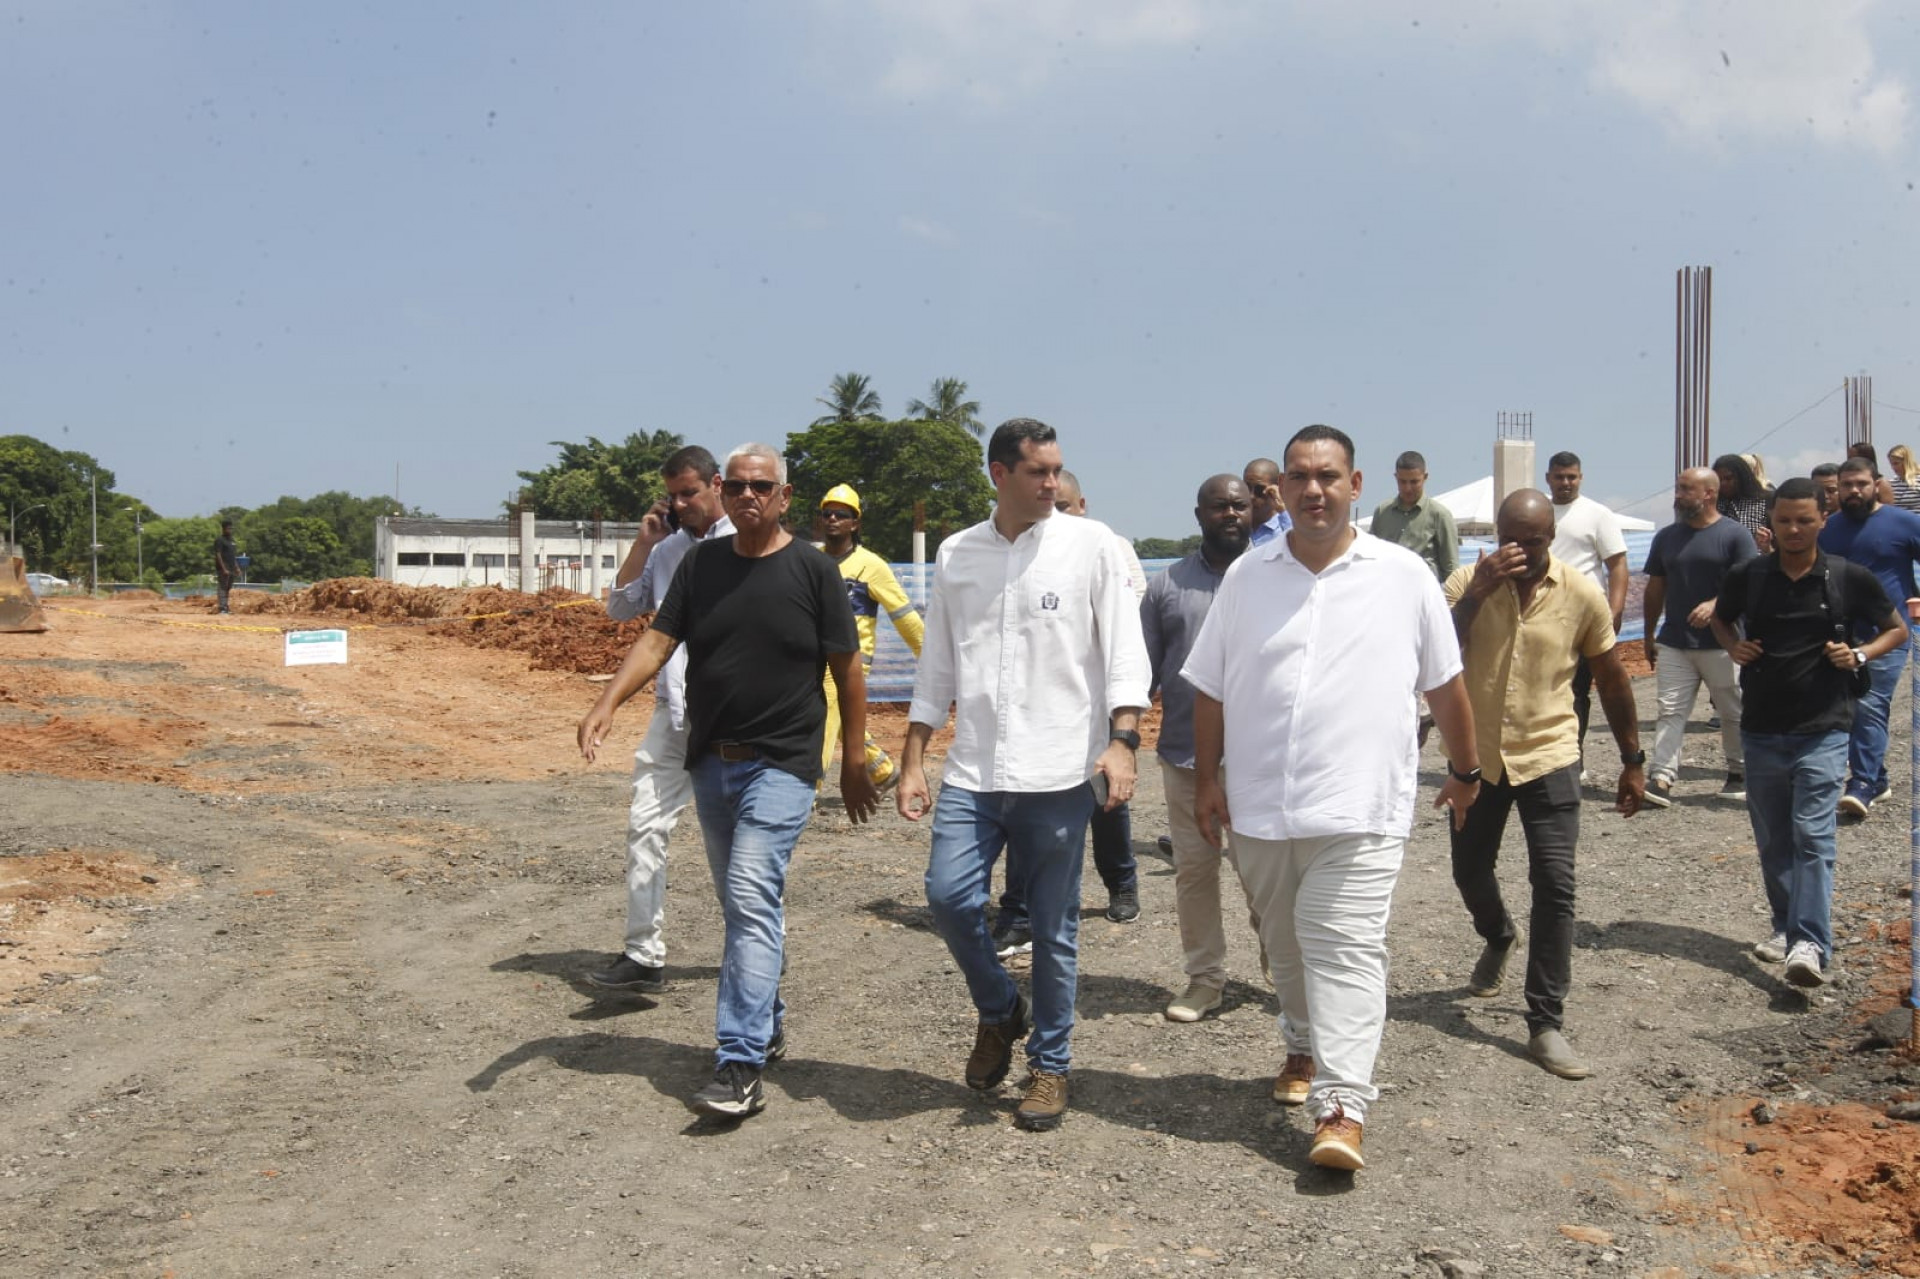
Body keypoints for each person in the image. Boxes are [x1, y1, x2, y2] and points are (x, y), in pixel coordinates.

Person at [1184, 424, 1481, 1173]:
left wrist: (1466, 768)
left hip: (1360, 805)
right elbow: (1211, 688)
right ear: (1281, 488)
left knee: (1344, 946)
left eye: (1328, 475)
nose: (1313, 489)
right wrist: (1209, 779)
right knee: (1285, 946)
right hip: (1260, 805)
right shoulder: (1247, 577)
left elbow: (1445, 684)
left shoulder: (1404, 575)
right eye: (1299, 476)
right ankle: (1301, 1042)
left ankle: (1343, 1106)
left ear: (1355, 486)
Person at [578, 443, 879, 1120]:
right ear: (723, 487)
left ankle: (739, 1062)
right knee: (743, 904)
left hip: (784, 762)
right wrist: (608, 700)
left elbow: (847, 669)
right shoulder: (701, 565)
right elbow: (658, 640)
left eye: (761, 486)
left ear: (784, 496)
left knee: (748, 892)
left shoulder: (814, 571)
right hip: (712, 759)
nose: (748, 496)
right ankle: (765, 1020)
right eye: (737, 485)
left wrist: (854, 758)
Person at [898, 419, 1150, 1133]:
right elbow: (938, 664)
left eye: (1057, 470)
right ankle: (1000, 1008)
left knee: (1054, 927)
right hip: (974, 770)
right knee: (948, 896)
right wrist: (914, 758)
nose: (1052, 483)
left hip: (1060, 772)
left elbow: (1126, 653)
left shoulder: (1092, 546)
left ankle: (1050, 1064)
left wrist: (1124, 741)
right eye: (1038, 471)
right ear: (999, 474)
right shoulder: (958, 553)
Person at [1444, 490, 1647, 1080]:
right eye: (1510, 539)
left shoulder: (1581, 594)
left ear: (1551, 537)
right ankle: (1497, 935)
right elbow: (1435, 655)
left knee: (1556, 884)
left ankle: (1545, 1022)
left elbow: (1612, 678)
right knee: (1469, 871)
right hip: (1478, 759)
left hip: (1550, 755)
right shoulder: (1464, 583)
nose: (1520, 550)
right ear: (1495, 533)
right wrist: (1479, 591)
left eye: (1532, 541)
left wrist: (1632, 759)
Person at [1710, 477, 1906, 987]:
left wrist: (1859, 654)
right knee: (1774, 840)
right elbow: (1720, 620)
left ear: (1823, 519)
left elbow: (1897, 629)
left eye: (1804, 520)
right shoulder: (1749, 576)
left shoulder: (1848, 577)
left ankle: (1810, 943)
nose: (1793, 529)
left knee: (1813, 837)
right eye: (1784, 520)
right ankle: (1785, 927)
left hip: (1825, 729)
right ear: (1771, 523)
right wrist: (1733, 646)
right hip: (1761, 730)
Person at [587, 445, 732, 995]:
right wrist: (645, 542)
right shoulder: (668, 550)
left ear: (716, 485)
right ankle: (643, 955)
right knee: (645, 825)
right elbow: (621, 608)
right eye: (673, 495)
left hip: (731, 715)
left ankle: (761, 943)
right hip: (673, 713)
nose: (681, 503)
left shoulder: (747, 542)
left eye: (689, 492)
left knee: (732, 843)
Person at [992, 470, 1146, 943]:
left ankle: (1121, 884)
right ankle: (1019, 910)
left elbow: (1125, 624)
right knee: (1026, 802)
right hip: (1037, 704)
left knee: (1105, 800)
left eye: (1064, 506)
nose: (1054, 514)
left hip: (1094, 703)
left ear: (1082, 505)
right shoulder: (1022, 551)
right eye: (1049, 505)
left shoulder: (1110, 548)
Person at [1141, 474, 1260, 1023]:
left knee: (1265, 876)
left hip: (1261, 760)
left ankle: (1283, 967)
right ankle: (1205, 980)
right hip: (1186, 757)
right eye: (1219, 507)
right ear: (1199, 515)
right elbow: (1142, 674)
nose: (1231, 514)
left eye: (1240, 505)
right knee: (1194, 872)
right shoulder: (1165, 586)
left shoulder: (1276, 578)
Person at [1641, 466, 1757, 807]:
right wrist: (1649, 634)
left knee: (1732, 711)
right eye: (1678, 488)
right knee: (1670, 710)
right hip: (1675, 641)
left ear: (1709, 494)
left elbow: (1750, 583)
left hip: (1723, 643)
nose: (1678, 495)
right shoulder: (1666, 537)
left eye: (1685, 489)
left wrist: (1716, 604)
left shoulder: (1735, 535)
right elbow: (1655, 587)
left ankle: (1739, 771)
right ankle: (1661, 777)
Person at [1816, 458, 1920, 820]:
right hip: (1840, 634)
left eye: (1861, 483)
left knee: (1869, 703)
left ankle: (1861, 782)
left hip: (1888, 632)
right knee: (1847, 706)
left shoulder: (1903, 523)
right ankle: (1877, 777)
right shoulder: (1828, 529)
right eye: (1846, 485)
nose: (1853, 491)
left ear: (1876, 484)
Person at [813, 482, 923, 792]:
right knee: (842, 717)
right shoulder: (810, 560)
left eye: (841, 514)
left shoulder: (872, 566)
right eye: (827, 513)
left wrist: (931, 658)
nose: (833, 519)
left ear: (855, 523)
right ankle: (883, 771)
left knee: (821, 723)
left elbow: (904, 616)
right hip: (811, 660)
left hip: (850, 661)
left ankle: (808, 791)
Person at [1545, 452, 1629, 764]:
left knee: (1577, 689)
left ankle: (1572, 758)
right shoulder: (1538, 511)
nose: (1565, 483)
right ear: (1548, 478)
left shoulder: (1597, 514)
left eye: (1572, 477)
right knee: (1547, 688)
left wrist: (1615, 612)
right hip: (1541, 615)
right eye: (1559, 477)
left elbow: (1617, 565)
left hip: (1583, 617)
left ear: (1581, 478)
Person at [1369, 450, 1459, 581]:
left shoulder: (1439, 515)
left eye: (1414, 482)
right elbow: (1371, 558)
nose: (1408, 488)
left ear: (1425, 477)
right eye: (1402, 482)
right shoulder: (1382, 512)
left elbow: (1451, 569)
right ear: (1396, 477)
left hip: (1424, 591)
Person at [1713, 453, 1773, 553]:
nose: (1723, 483)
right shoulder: (1713, 504)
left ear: (1741, 477)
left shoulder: (1765, 500)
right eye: (1719, 479)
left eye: (1728, 479)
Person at [1243, 457, 1292, 546]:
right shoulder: (1237, 529)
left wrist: (1282, 508)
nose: (1251, 496)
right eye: (1246, 488)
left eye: (1259, 490)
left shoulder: (1285, 528)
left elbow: (1301, 546)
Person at [1845, 441, 1901, 508]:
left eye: (1853, 458)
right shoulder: (1845, 483)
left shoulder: (1881, 483)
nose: (1849, 461)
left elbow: (1888, 510)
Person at [1886, 444, 1920, 513]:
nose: (1893, 467)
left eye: (1896, 463)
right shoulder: (1891, 484)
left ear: (1906, 462)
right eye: (1891, 464)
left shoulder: (1918, 481)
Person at [214, 520, 239, 614]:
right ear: (224, 529)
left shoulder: (232, 541)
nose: (230, 530)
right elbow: (218, 555)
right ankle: (222, 608)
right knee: (222, 587)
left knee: (228, 588)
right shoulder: (220, 540)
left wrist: (237, 567)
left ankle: (226, 606)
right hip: (223, 568)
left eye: (231, 528)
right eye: (228, 528)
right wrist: (223, 568)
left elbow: (233, 555)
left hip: (231, 568)